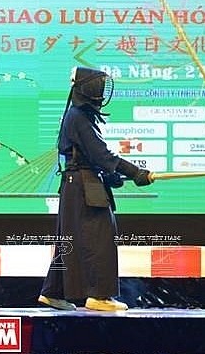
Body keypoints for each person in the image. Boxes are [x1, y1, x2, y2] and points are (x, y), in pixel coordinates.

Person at [38, 66, 154, 311]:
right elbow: (102, 154)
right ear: (87, 88)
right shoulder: (79, 116)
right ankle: (99, 296)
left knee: (70, 241)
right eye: (98, 86)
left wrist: (111, 176)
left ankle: (53, 292)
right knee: (100, 239)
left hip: (77, 184)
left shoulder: (78, 115)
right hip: (84, 187)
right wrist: (135, 172)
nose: (102, 91)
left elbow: (91, 156)